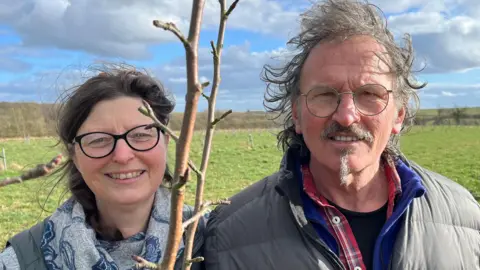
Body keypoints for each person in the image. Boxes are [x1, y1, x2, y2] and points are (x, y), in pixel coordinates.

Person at [202, 1, 480, 269]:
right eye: (324, 95)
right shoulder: (227, 235)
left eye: (370, 94)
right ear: (296, 114)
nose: (346, 116)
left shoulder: (465, 215)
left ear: (398, 115)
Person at [0, 66, 206, 269]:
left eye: (141, 134)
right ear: (75, 156)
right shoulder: (21, 260)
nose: (122, 156)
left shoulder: (214, 238)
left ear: (166, 142)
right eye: (98, 140)